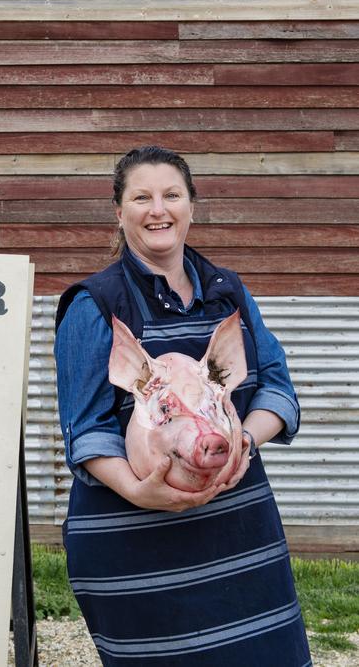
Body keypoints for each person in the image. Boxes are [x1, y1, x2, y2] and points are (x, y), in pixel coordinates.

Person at [54, 145, 311, 667]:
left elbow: (277, 391)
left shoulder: (228, 292)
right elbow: (86, 430)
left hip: (239, 538)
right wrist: (139, 491)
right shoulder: (95, 304)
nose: (158, 210)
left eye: (171, 195)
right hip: (135, 543)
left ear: (192, 205)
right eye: (141, 197)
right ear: (119, 211)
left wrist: (240, 442)